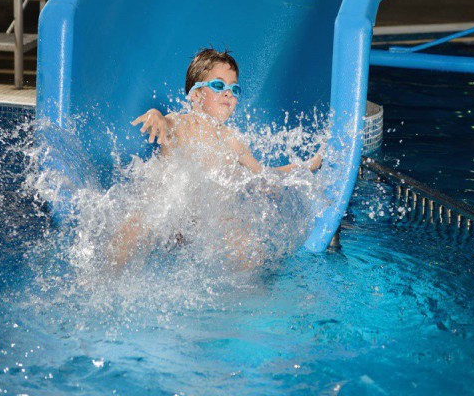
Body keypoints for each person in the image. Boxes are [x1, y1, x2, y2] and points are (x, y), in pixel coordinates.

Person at [110, 48, 323, 268]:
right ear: (195, 94)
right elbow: (165, 122)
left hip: (206, 221)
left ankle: (253, 286)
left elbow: (263, 175)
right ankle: (109, 275)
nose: (228, 93)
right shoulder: (181, 124)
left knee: (247, 245)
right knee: (133, 224)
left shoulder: (231, 140)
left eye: (234, 88)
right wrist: (156, 116)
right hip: (169, 214)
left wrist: (306, 167)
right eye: (219, 86)